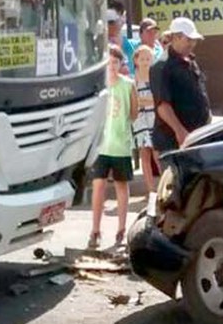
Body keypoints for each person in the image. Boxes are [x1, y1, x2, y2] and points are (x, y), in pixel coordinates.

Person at [88, 45, 138, 248]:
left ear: (120, 64)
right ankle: (95, 229)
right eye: (109, 63)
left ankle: (121, 228)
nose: (112, 66)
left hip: (120, 144)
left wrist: (123, 127)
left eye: (115, 62)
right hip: (101, 145)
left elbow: (134, 112)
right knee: (98, 185)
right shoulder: (99, 86)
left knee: (121, 185)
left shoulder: (128, 85)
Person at [151, 17, 211, 155]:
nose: (192, 44)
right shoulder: (162, 66)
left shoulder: (190, 60)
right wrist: (180, 131)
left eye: (194, 40)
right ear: (176, 37)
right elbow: (163, 106)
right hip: (174, 141)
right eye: (188, 40)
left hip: (196, 135)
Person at [132, 45, 160, 193]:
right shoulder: (133, 79)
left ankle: (163, 186)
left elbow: (158, 99)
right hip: (140, 120)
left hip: (155, 118)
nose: (145, 61)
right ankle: (150, 189)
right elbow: (134, 100)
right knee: (145, 153)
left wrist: (146, 100)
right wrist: (147, 100)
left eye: (148, 58)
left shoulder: (155, 76)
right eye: (142, 58)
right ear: (136, 60)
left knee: (157, 152)